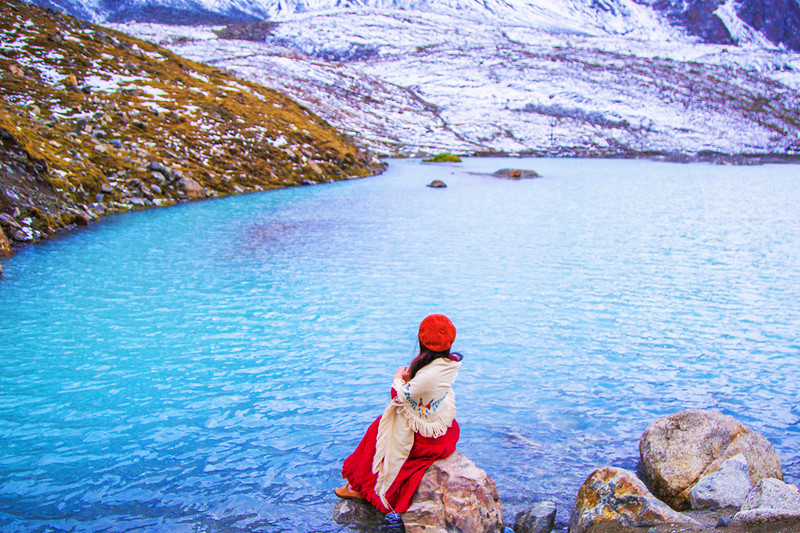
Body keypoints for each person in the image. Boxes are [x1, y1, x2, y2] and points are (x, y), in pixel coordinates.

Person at [335, 314, 463, 514]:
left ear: (422, 339)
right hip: (444, 431)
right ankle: (358, 484)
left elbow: (399, 396)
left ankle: (359, 487)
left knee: (380, 430)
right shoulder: (450, 363)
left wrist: (398, 377)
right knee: (383, 426)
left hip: (425, 441)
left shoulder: (428, 374)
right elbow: (423, 392)